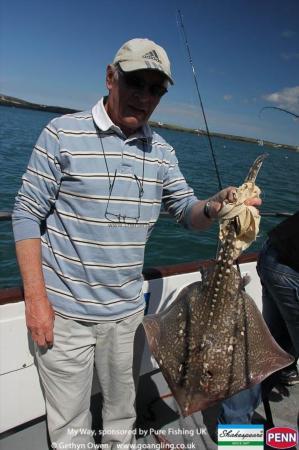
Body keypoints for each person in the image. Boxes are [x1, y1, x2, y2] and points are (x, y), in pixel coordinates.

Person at [12, 38, 261, 449]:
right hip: (64, 313)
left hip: (126, 315)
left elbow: (185, 210)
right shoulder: (61, 132)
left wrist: (217, 205)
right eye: (135, 82)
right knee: (69, 421)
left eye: (155, 89)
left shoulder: (161, 151)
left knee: (121, 412)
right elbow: (25, 214)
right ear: (111, 77)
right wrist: (35, 300)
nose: (144, 97)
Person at [218, 211, 299, 425]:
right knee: (271, 348)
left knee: (271, 348)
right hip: (290, 267)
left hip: (276, 253)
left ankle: (234, 430)